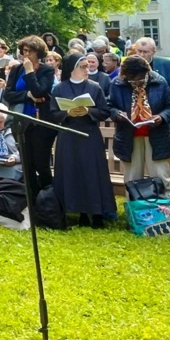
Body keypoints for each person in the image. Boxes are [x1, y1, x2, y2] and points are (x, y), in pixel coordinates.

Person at [49, 53, 116, 228]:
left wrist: (89, 111)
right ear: (72, 69)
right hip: (68, 135)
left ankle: (98, 213)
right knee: (72, 172)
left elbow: (104, 111)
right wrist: (67, 113)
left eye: (88, 66)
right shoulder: (60, 89)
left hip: (89, 135)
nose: (87, 70)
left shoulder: (95, 87)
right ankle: (80, 212)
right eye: (83, 67)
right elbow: (53, 113)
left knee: (93, 172)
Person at [109, 56, 170, 198]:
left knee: (160, 177)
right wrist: (117, 114)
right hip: (129, 137)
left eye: (139, 79)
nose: (136, 83)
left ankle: (166, 214)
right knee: (132, 179)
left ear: (147, 72)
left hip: (157, 136)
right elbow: (110, 106)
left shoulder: (159, 81)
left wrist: (162, 117)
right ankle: (136, 215)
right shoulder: (117, 83)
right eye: (131, 80)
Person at [4, 35, 56, 199]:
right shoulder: (15, 69)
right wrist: (27, 94)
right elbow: (8, 94)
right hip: (21, 121)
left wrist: (29, 72)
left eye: (29, 51)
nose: (25, 54)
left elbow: (40, 91)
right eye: (23, 51)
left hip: (40, 123)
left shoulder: (46, 70)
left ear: (38, 53)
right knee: (27, 164)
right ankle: (32, 198)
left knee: (41, 163)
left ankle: (48, 198)